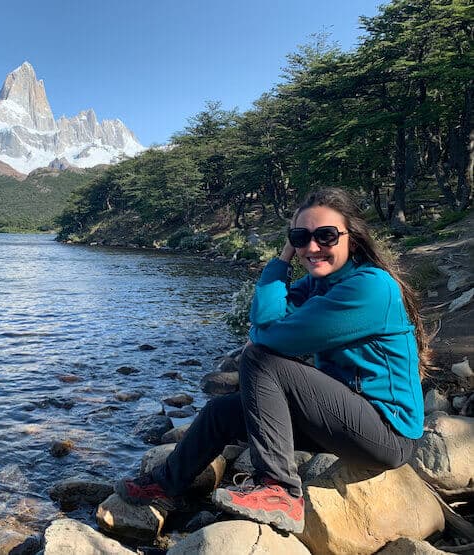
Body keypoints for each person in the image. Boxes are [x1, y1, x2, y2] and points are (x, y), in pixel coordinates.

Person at [115, 187, 428, 534]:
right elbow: (263, 317)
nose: (312, 247)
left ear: (351, 239)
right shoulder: (318, 283)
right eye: (300, 238)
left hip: (386, 432)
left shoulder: (369, 287)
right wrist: (282, 260)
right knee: (221, 412)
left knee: (261, 358)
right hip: (345, 418)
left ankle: (280, 491)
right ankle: (166, 485)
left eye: (325, 236)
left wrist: (262, 336)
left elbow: (274, 340)